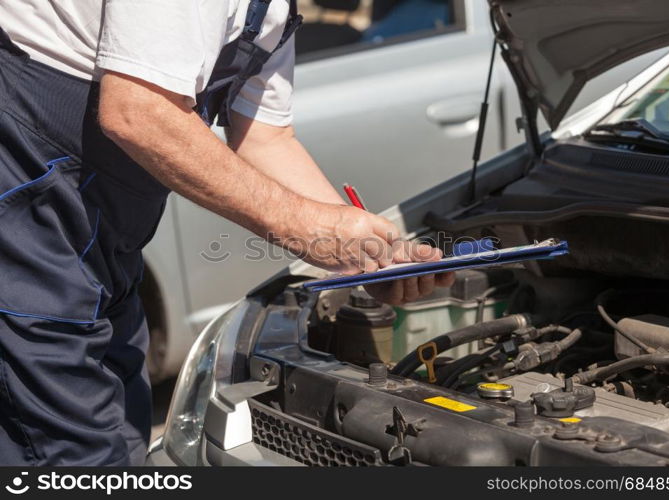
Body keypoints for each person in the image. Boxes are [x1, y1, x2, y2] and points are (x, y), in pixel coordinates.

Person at [0, 0, 453, 465]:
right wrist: (308, 226)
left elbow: (265, 136)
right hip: (30, 228)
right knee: (74, 455)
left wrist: (364, 257)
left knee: (124, 438)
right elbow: (139, 111)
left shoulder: (277, 10)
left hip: (102, 254)